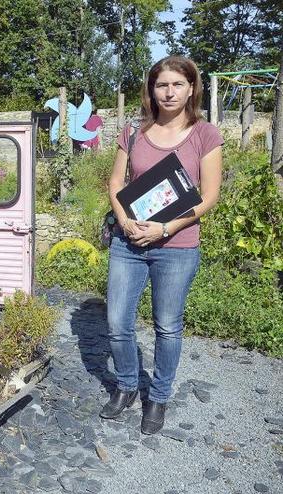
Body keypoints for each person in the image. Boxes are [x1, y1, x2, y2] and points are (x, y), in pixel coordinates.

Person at [99, 56, 223, 435]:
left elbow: (209, 196)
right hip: (128, 241)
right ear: (151, 89)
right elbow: (116, 182)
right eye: (161, 84)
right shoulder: (133, 131)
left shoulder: (206, 134)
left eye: (177, 84)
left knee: (167, 326)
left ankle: (160, 396)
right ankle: (126, 386)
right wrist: (124, 222)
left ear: (191, 88)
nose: (169, 92)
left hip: (178, 246)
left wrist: (164, 229)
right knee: (117, 321)